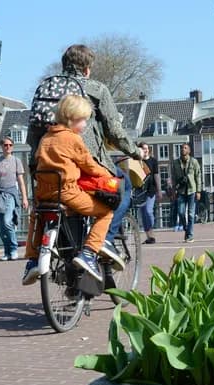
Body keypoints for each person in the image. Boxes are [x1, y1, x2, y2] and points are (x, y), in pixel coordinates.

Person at [26, 44, 142, 276]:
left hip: (45, 170)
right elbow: (114, 131)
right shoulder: (96, 89)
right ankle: (103, 243)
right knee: (124, 186)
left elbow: (32, 136)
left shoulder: (48, 88)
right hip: (86, 163)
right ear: (87, 69)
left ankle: (38, 258)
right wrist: (135, 152)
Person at [22, 95, 115, 284]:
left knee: (37, 218)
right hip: (67, 191)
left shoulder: (46, 137)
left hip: (43, 193)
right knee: (105, 212)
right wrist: (108, 175)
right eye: (83, 120)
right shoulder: (72, 139)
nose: (85, 125)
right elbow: (89, 166)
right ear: (72, 119)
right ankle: (88, 254)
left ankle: (32, 260)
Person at [0, 136, 29, 261]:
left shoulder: (16, 161)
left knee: (8, 221)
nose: (8, 147)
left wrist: (24, 197)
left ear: (12, 147)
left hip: (10, 194)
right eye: (5, 145)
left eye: (10, 145)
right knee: (1, 225)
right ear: (2, 147)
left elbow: (21, 181)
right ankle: (7, 251)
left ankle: (13, 249)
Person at [170, 143, 201, 243]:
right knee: (181, 212)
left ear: (189, 151)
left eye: (185, 148)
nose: (183, 149)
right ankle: (187, 229)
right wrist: (173, 191)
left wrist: (199, 191)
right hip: (181, 191)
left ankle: (190, 236)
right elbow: (173, 178)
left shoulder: (194, 162)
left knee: (191, 214)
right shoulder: (175, 163)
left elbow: (198, 176)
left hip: (192, 190)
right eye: (182, 148)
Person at [138, 142, 161, 244]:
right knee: (143, 214)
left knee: (148, 211)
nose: (145, 150)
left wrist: (159, 190)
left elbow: (156, 175)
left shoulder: (153, 161)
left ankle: (151, 232)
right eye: (143, 148)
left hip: (151, 189)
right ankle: (149, 237)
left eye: (146, 148)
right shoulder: (137, 161)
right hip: (140, 190)